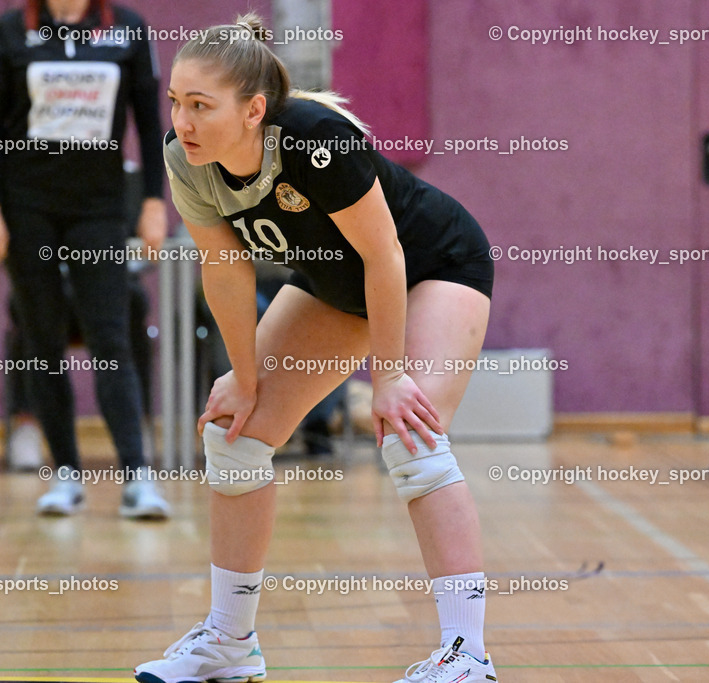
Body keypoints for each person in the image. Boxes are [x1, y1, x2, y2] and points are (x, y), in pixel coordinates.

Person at [135, 13, 497, 683]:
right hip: (336, 283)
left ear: (254, 110)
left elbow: (384, 254)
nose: (183, 121)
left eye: (201, 105)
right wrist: (244, 378)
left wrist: (388, 377)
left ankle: (467, 653)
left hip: (432, 266)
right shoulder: (187, 160)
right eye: (177, 103)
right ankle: (229, 641)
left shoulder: (314, 138)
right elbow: (226, 269)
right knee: (233, 432)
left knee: (410, 433)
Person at [0, 0, 169, 518]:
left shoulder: (126, 29)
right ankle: (65, 474)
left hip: (99, 210)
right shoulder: (9, 31)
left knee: (111, 337)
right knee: (42, 340)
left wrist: (154, 202)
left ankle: (137, 477)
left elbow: (151, 124)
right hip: (27, 208)